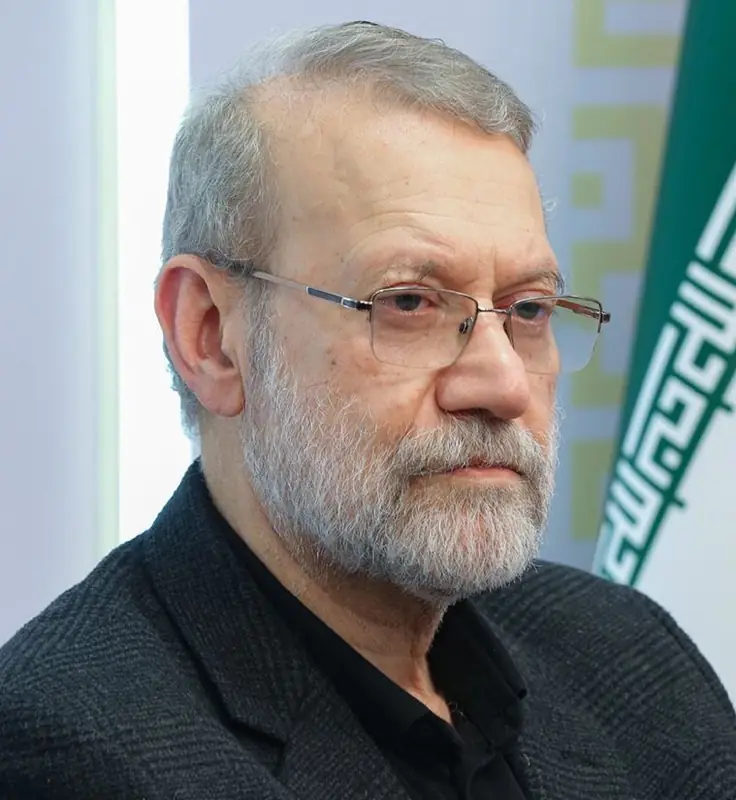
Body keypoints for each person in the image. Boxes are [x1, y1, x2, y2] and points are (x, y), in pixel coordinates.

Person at [0, 20, 734, 800]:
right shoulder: (73, 747)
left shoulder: (626, 653)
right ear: (209, 336)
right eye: (409, 302)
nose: (503, 385)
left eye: (528, 309)